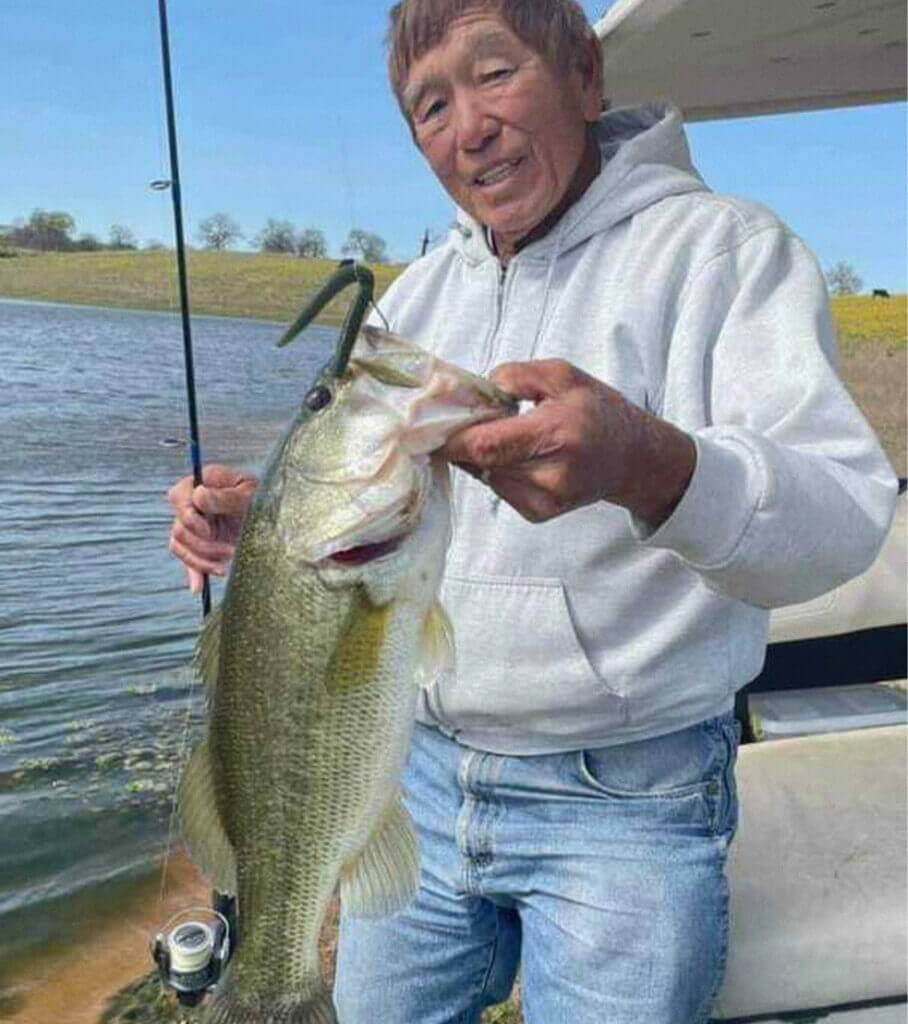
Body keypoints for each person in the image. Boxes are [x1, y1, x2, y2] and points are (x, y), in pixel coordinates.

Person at [168, 1, 897, 1020]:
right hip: (407, 773)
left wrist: (652, 465)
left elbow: (844, 517)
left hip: (627, 798)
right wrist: (276, 532)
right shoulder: (414, 303)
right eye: (429, 106)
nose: (467, 127)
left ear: (585, 75)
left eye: (493, 73)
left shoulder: (724, 253)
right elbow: (370, 518)